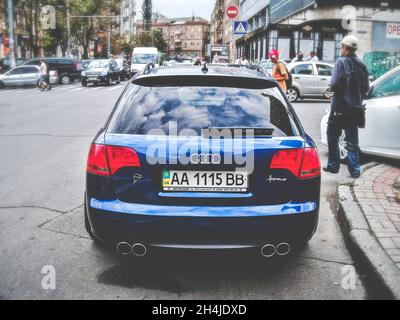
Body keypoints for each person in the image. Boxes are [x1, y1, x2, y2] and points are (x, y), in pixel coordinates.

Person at [324, 35, 369, 178]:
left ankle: (333, 165)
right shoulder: (362, 65)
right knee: (352, 141)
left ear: (345, 48)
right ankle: (355, 170)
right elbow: (366, 88)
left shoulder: (341, 62)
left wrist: (330, 87)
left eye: (341, 47)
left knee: (332, 136)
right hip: (355, 109)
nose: (341, 50)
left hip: (339, 108)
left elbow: (335, 84)